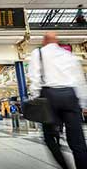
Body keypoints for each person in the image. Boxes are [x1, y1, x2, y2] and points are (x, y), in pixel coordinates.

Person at [28, 32, 87, 169]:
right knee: (78, 142)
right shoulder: (68, 55)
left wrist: (35, 97)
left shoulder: (38, 53)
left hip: (50, 97)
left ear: (44, 41)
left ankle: (65, 166)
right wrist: (83, 103)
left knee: (49, 137)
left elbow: (35, 77)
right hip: (70, 96)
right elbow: (80, 80)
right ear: (56, 41)